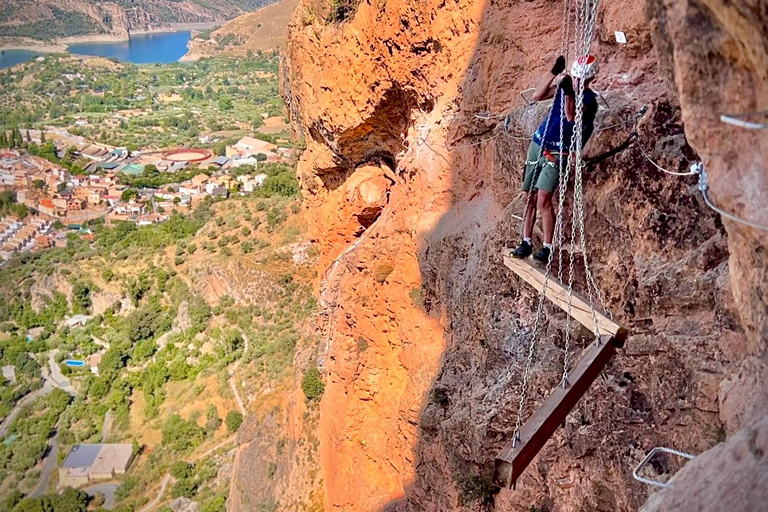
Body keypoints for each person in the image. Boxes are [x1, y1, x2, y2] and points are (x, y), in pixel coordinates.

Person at [511, 54, 600, 262]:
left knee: (544, 198)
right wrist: (554, 73)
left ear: (586, 80)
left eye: (579, 79)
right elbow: (537, 95)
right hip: (540, 143)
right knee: (529, 197)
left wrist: (570, 92)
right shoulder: (564, 87)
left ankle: (547, 247)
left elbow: (571, 116)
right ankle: (526, 241)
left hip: (558, 151)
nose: (576, 81)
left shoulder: (589, 100)